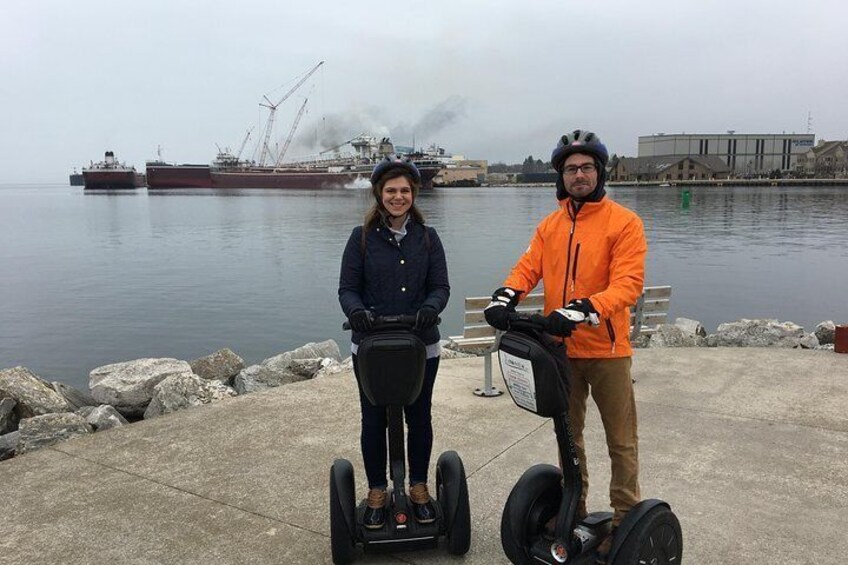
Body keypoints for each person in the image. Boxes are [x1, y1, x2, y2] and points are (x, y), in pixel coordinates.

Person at [484, 130, 647, 563]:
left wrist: (584, 309)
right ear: (561, 175)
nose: (579, 175)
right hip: (561, 350)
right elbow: (527, 267)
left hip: (608, 351)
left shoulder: (624, 222)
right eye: (572, 168)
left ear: (599, 172)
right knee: (568, 435)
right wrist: (506, 295)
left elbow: (628, 284)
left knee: (621, 439)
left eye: (587, 167)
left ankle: (624, 517)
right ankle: (573, 504)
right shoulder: (550, 226)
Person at [338, 155, 450, 529]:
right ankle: (377, 490)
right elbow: (348, 289)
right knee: (373, 420)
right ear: (379, 194)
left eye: (404, 190)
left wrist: (431, 308)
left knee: (419, 418)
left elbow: (440, 287)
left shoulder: (429, 239)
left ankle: (418, 487)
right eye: (391, 191)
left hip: (421, 345)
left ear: (413, 195)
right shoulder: (362, 238)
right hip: (371, 348)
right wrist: (356, 311)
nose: (398, 197)